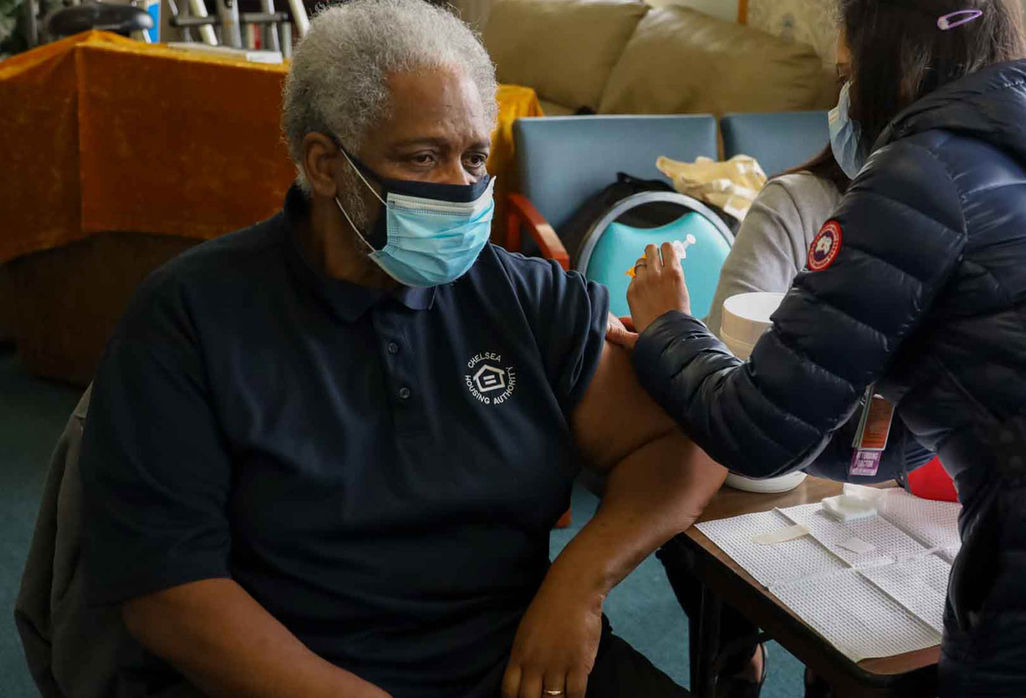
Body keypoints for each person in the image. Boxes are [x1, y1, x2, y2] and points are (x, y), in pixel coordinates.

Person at [614, 0, 1026, 695]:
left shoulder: (915, 172)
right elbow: (914, 437)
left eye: (847, 69)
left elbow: (756, 433)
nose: (844, 97)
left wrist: (667, 328)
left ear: (888, 55)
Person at [73, 2, 726, 697]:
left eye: (475, 155)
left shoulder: (526, 299)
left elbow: (683, 448)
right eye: (424, 157)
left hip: (511, 663)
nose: (463, 188)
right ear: (325, 165)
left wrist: (578, 584)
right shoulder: (190, 316)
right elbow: (169, 592)